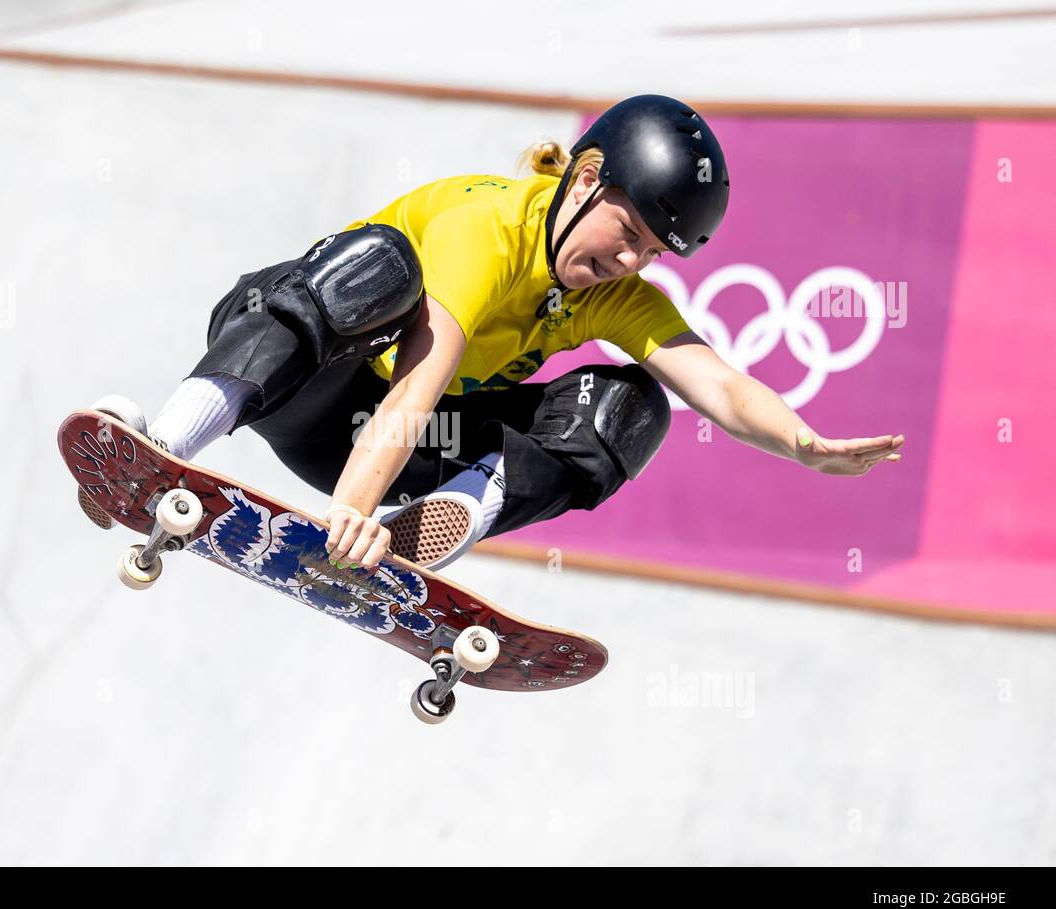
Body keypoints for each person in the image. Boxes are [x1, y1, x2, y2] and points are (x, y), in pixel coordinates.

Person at [83, 93, 904, 573]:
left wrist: (800, 442)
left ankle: (447, 519)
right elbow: (420, 382)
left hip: (385, 446)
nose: (628, 261)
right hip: (300, 372)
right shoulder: (489, 230)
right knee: (380, 265)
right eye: (628, 233)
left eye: (651, 253)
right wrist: (349, 514)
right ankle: (168, 435)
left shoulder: (614, 296)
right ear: (586, 180)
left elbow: (717, 383)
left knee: (630, 406)